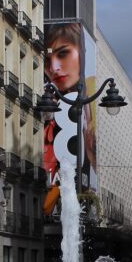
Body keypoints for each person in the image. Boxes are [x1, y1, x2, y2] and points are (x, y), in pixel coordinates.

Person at [42, 22, 97, 215]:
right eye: (47, 61)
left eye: (63, 53)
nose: (54, 68)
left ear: (82, 53)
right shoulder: (48, 107)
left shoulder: (89, 106)